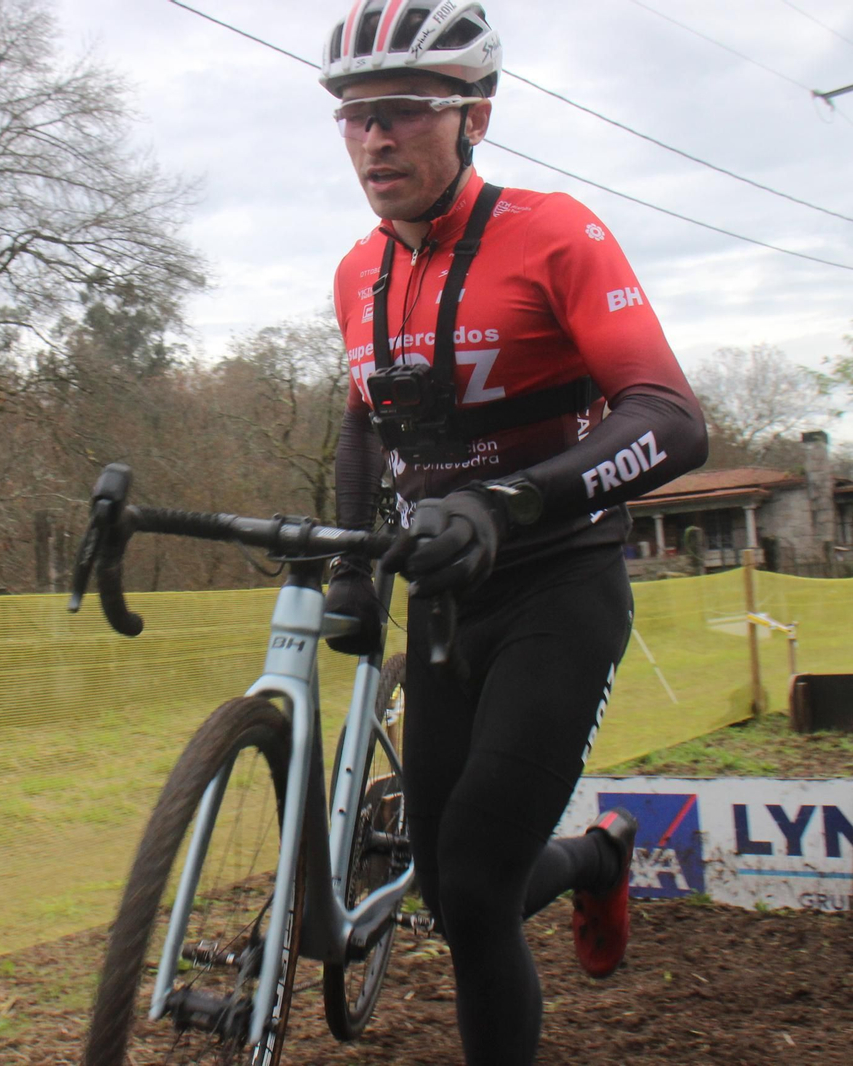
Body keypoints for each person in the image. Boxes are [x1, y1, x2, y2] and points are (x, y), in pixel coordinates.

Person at [318, 4, 708, 1063]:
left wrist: (508, 501)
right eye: (352, 118)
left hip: (556, 587)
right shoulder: (358, 272)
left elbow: (671, 421)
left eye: (400, 112)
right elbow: (362, 426)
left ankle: (573, 867)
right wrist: (353, 567)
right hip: (444, 604)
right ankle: (596, 857)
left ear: (475, 116)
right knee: (449, 892)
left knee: (481, 885)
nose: (373, 139)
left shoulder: (555, 233)